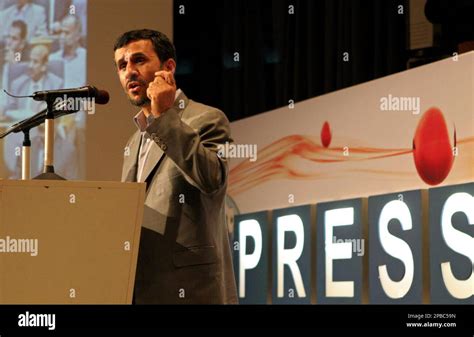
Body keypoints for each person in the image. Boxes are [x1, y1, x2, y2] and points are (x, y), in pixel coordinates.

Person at [114, 29, 238, 304]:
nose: (129, 72)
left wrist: (165, 115)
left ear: (168, 67)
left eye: (139, 61)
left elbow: (212, 180)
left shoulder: (207, 118)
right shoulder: (133, 141)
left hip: (190, 290)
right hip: (140, 290)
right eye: (122, 66)